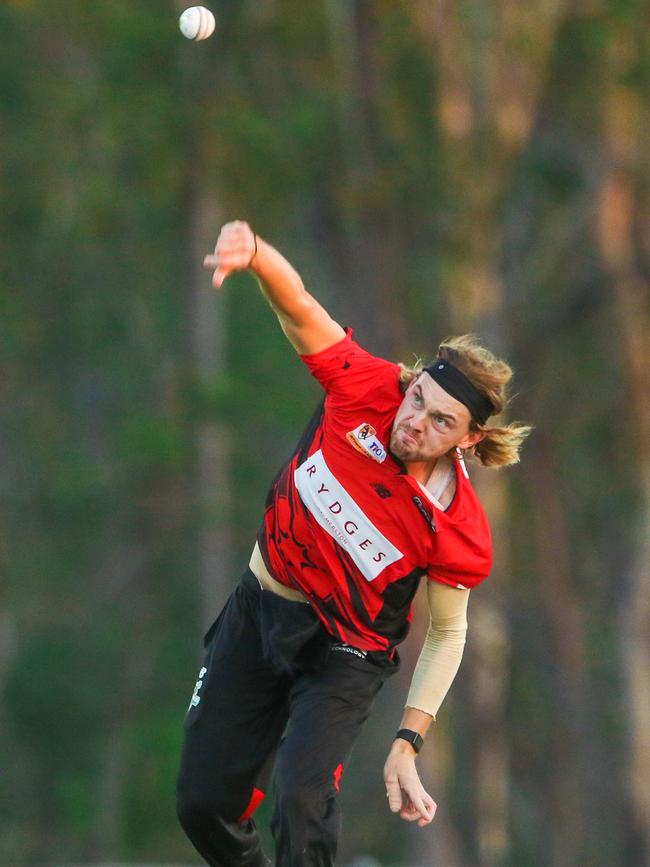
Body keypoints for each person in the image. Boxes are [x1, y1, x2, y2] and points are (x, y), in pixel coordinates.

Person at [176, 221, 530, 867]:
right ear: (412, 381)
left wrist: (408, 741)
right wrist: (257, 255)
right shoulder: (363, 386)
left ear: (469, 440)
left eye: (439, 422)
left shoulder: (454, 525)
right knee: (202, 804)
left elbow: (448, 635)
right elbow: (301, 306)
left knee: (301, 798)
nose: (414, 423)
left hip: (343, 655)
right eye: (417, 400)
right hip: (259, 610)